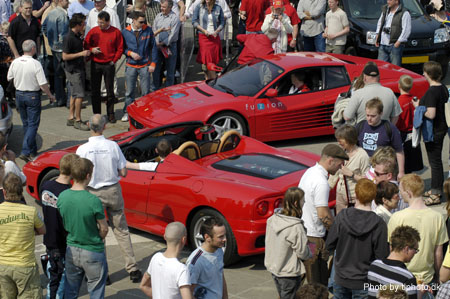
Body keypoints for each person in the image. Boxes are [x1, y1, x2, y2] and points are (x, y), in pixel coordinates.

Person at [76, 114, 143, 282]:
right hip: (112, 190)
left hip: (92, 193)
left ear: (88, 125)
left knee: (98, 233)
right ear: (104, 126)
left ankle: (103, 273)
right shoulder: (113, 146)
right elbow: (123, 171)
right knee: (121, 230)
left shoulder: (82, 150)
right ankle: (133, 269)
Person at [326, 178, 389, 298]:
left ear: (356, 194)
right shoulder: (379, 223)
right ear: (373, 197)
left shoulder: (342, 216)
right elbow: (381, 255)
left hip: (341, 278)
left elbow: (329, 244)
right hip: (364, 280)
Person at [57, 157, 109, 298]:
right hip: (92, 250)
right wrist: (99, 237)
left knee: (71, 290)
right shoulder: (93, 201)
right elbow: (104, 228)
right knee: (96, 289)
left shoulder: (62, 197)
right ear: (88, 176)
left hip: (71, 249)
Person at [299, 144, 348, 285]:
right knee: (317, 280)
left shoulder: (310, 171)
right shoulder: (321, 182)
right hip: (314, 238)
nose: (340, 168)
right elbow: (323, 215)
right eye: (339, 164)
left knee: (307, 276)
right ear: (331, 161)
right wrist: (335, 232)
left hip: (305, 231)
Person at [388, 174, 448, 288]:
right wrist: (437, 276)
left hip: (402, 277)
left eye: (401, 191)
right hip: (427, 279)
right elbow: (438, 253)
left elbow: (392, 249)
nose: (400, 195)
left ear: (408, 193)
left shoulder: (396, 217)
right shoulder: (437, 217)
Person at [7, 39, 56, 162]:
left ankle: (32, 150)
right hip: (32, 96)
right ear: (33, 49)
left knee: (26, 124)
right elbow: (43, 84)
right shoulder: (35, 64)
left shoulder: (16, 62)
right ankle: (25, 150)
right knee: (33, 125)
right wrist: (50, 95)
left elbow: (9, 77)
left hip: (19, 94)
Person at [0, 173, 46, 299]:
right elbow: (42, 230)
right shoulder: (31, 211)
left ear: (4, 192)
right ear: (21, 192)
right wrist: (29, 231)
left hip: (2, 265)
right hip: (25, 265)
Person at [41, 153, 78, 299]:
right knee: (60, 278)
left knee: (53, 275)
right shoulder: (68, 194)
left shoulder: (46, 186)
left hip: (49, 238)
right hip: (62, 242)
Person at [265, 187, 311, 299]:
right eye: (303, 200)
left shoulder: (272, 220)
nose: (304, 203)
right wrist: (311, 249)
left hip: (275, 269)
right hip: (289, 274)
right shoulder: (296, 227)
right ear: (296, 203)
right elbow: (303, 253)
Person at [412, 61, 448, 205]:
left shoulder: (432, 91)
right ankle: (436, 189)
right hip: (442, 127)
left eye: (424, 72)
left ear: (428, 74)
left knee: (435, 163)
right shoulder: (443, 88)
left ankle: (436, 193)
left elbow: (431, 113)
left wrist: (418, 106)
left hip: (434, 131)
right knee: (436, 162)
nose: (423, 74)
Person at [85, 11, 124, 123]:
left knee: (110, 90)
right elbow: (86, 43)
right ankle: (96, 115)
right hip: (96, 63)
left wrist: (114, 60)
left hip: (108, 64)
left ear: (108, 22)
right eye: (98, 22)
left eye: (102, 22)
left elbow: (120, 48)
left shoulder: (116, 32)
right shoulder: (93, 31)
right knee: (95, 91)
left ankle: (110, 114)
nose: (99, 24)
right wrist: (92, 50)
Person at [140, 222, 192, 299]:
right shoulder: (181, 269)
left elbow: (143, 285)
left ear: (164, 236)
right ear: (183, 239)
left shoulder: (155, 258)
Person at [122, 10, 157, 122]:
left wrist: (153, 63)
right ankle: (127, 112)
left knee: (146, 92)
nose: (143, 24)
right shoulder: (125, 32)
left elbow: (154, 48)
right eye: (140, 22)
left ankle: (144, 113)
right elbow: (121, 48)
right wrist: (130, 53)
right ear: (134, 20)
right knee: (129, 92)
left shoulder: (148, 30)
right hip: (131, 65)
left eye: (144, 22)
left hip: (145, 65)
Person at [367, 225, 420, 299]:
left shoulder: (374, 265)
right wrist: (420, 293)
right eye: (415, 250)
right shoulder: (408, 277)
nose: (415, 253)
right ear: (406, 249)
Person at [357, 98, 405, 178]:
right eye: (367, 115)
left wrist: (401, 172)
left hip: (382, 172)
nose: (369, 118)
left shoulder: (390, 128)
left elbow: (399, 151)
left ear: (381, 113)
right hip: (364, 169)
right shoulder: (360, 126)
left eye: (373, 116)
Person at [328, 124, 370, 214]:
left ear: (349, 139)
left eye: (340, 139)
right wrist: (326, 188)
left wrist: (352, 175)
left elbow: (367, 181)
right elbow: (333, 176)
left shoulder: (362, 155)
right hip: (340, 196)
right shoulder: (340, 153)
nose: (338, 142)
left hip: (354, 199)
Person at [186, 217, 228, 299]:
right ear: (207, 237)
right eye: (221, 237)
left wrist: (225, 296)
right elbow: (188, 292)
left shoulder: (219, 250)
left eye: (224, 235)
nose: (225, 239)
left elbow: (220, 276)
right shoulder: (196, 261)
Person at [63, 13, 90, 131]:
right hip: (74, 70)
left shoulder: (77, 35)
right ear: (78, 25)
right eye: (83, 23)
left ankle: (71, 117)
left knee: (74, 94)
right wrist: (81, 54)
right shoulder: (69, 37)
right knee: (79, 95)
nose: (84, 25)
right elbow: (65, 56)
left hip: (76, 68)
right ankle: (78, 120)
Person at [42, 0, 69, 108]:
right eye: (67, 1)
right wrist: (61, 45)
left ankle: (60, 98)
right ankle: (63, 99)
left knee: (58, 75)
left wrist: (51, 41)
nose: (69, 3)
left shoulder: (51, 13)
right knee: (65, 74)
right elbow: (63, 34)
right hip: (60, 49)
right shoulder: (62, 14)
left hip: (54, 48)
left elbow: (43, 27)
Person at [396, 75, 423, 174]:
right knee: (414, 161)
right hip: (415, 132)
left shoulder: (399, 102)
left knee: (405, 163)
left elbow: (398, 120)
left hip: (403, 133)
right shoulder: (415, 99)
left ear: (399, 85)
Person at [192, 0, 224, 80]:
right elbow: (194, 21)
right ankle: (214, 80)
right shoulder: (199, 7)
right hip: (203, 37)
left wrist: (217, 31)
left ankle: (207, 80)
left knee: (211, 61)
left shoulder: (218, 8)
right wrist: (203, 30)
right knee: (208, 60)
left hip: (214, 37)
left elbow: (222, 22)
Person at [153, 0, 180, 90]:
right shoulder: (158, 16)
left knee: (170, 69)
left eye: (164, 7)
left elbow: (173, 35)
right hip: (158, 46)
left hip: (170, 46)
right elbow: (154, 30)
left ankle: (169, 90)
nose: (161, 8)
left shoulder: (174, 18)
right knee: (156, 68)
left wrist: (163, 43)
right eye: (161, 6)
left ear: (170, 7)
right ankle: (156, 89)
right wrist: (157, 43)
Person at [375, 0, 411, 66]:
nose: (388, 1)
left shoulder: (404, 13)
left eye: (390, 0)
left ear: (396, 1)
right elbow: (380, 23)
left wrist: (398, 43)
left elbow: (406, 30)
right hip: (383, 44)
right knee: (381, 68)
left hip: (394, 45)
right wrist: (377, 36)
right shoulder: (385, 10)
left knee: (395, 69)